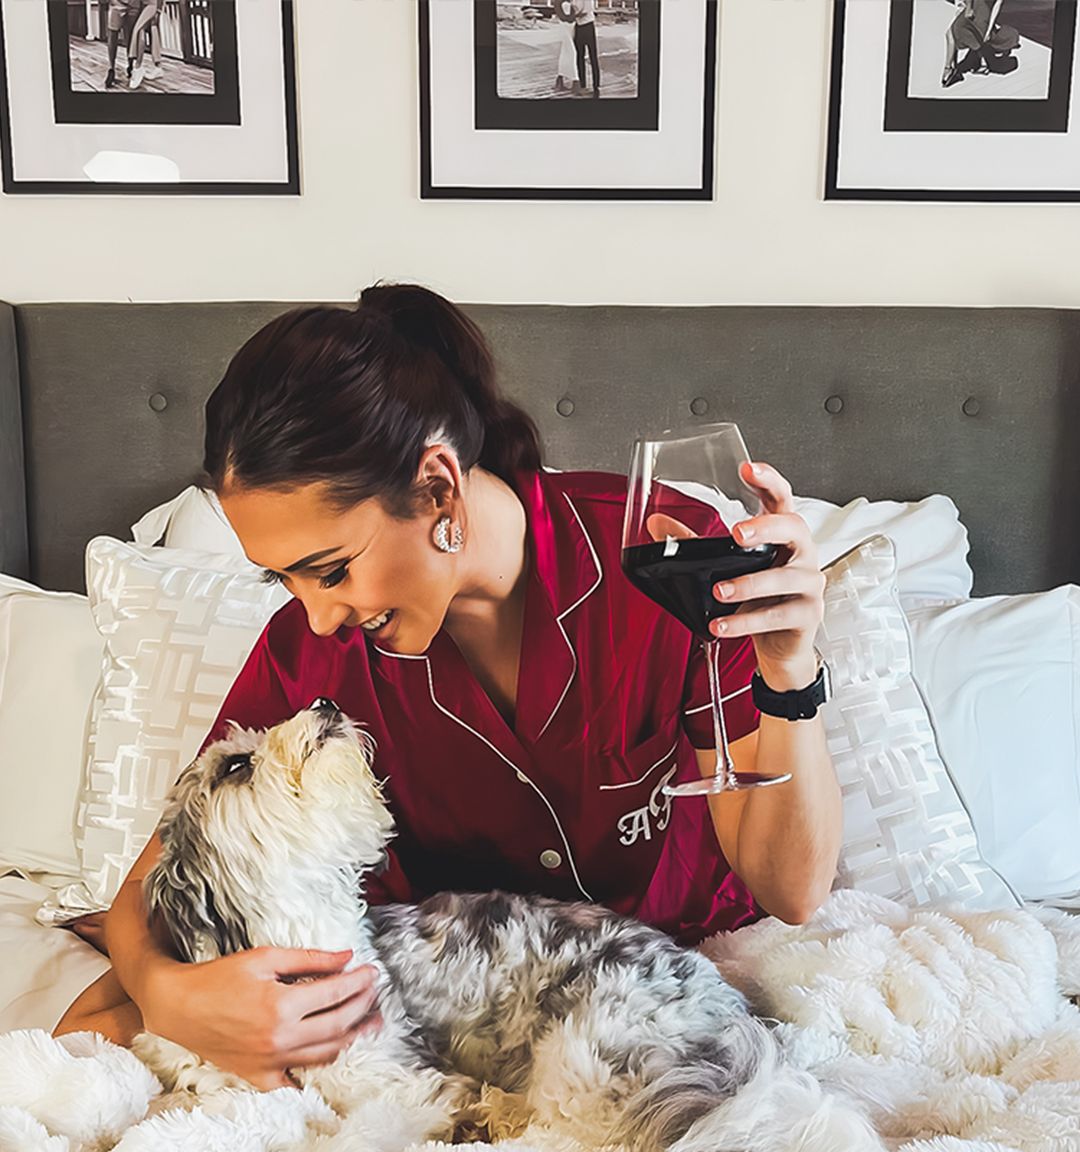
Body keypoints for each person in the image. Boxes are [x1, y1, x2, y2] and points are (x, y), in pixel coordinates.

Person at [55, 285, 842, 1091]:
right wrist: (170, 996)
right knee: (84, 1038)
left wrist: (789, 670)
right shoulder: (308, 651)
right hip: (456, 995)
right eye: (286, 579)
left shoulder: (656, 552)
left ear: (437, 488)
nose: (318, 616)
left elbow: (795, 891)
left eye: (331, 570)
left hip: (666, 970)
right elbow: (151, 882)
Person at [942, 0, 1019, 88]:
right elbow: (996, 7)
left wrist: (989, 30)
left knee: (952, 32)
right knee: (952, 32)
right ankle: (953, 69)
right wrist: (967, 7)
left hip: (979, 12)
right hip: (978, 11)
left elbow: (996, 6)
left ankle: (950, 69)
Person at [571, 0, 601, 97]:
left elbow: (585, 11)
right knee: (579, 57)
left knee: (593, 56)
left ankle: (596, 84)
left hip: (588, 25)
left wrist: (573, 15)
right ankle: (582, 83)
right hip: (578, 26)